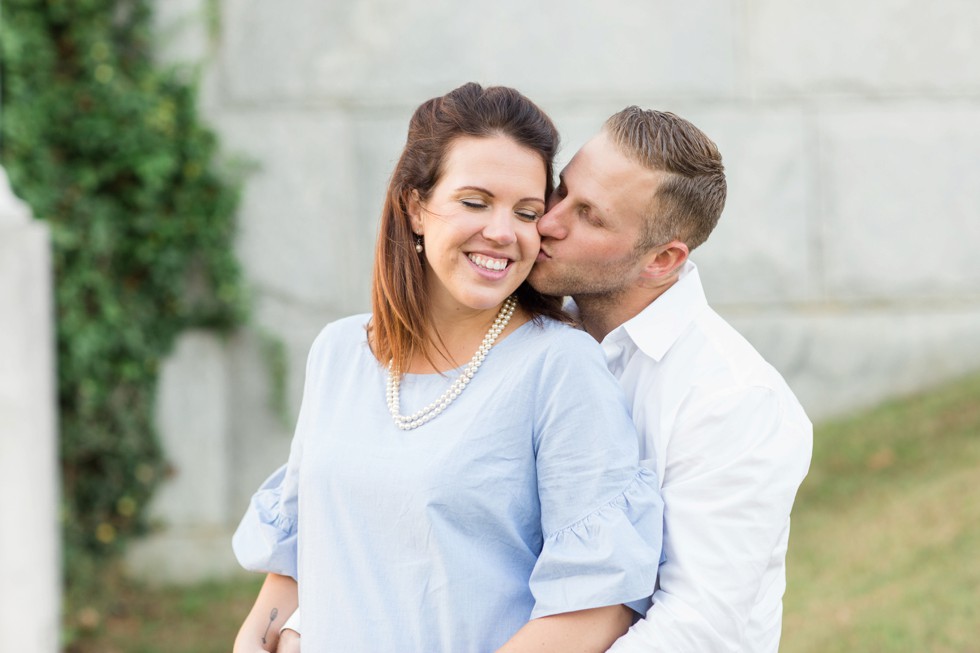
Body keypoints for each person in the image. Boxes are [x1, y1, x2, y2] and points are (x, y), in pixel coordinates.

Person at [231, 83, 664, 653]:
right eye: (475, 201)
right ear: (415, 207)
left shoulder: (559, 366)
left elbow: (600, 605)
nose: (504, 233)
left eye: (527, 212)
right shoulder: (338, 353)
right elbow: (294, 566)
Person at [528, 107, 813, 652]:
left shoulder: (734, 400)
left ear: (662, 260)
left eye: (589, 216)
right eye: (561, 191)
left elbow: (694, 628)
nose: (548, 222)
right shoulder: (533, 338)